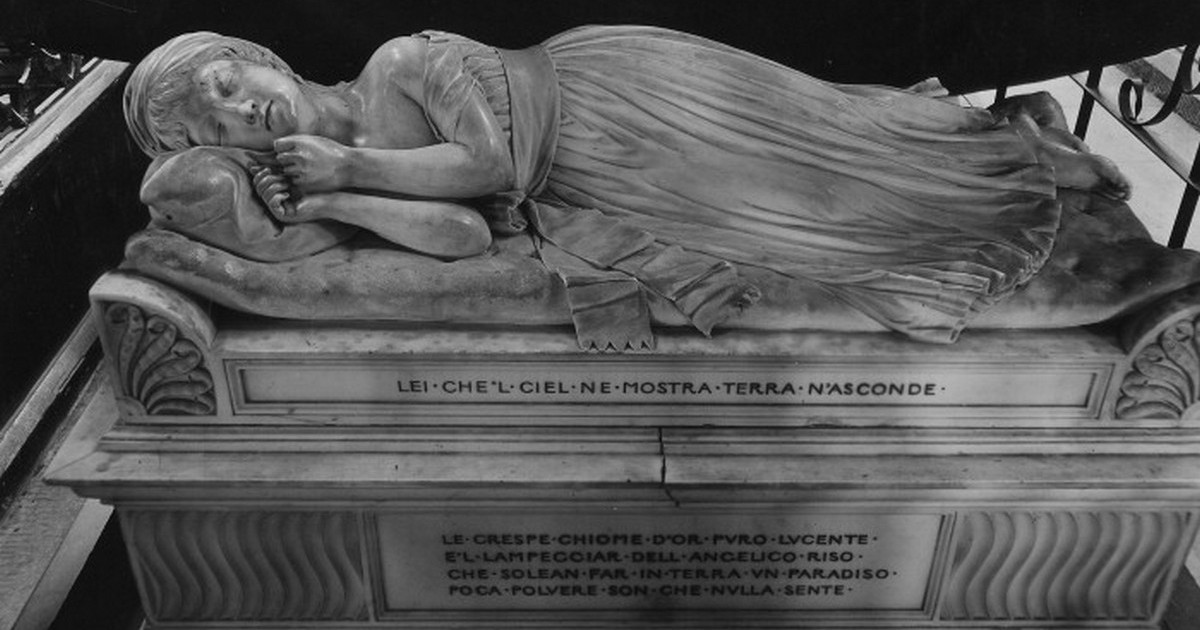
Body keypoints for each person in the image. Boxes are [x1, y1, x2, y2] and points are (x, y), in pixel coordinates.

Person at [123, 27, 1132, 346]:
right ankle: (1012, 155)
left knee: (823, 143)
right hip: (592, 184)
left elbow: (490, 167)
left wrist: (350, 169)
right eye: (211, 125)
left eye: (228, 83)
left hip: (608, 97)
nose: (239, 112)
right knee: (815, 213)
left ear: (260, 58)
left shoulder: (398, 63)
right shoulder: (310, 171)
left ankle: (1019, 151)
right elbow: (462, 234)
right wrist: (337, 202)